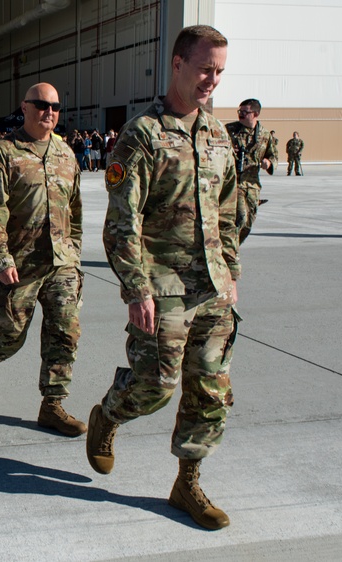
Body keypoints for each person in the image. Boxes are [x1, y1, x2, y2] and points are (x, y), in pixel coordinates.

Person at [88, 25, 239, 531]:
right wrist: (136, 288)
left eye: (219, 71)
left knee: (210, 390)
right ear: (177, 64)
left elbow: (229, 211)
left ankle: (187, 482)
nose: (212, 80)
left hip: (213, 287)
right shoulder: (143, 135)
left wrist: (231, 273)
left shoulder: (219, 135)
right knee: (157, 385)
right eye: (204, 68)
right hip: (162, 283)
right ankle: (108, 413)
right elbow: (121, 221)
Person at [0, 83, 87, 437]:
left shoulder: (67, 154)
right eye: (40, 105)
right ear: (24, 107)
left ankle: (52, 404)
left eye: (54, 106)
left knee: (65, 331)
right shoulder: (3, 153)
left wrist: (74, 251)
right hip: (19, 263)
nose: (48, 111)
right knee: (12, 334)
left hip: (61, 262)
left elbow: (75, 210)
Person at [226, 98, 277, 244]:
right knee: (240, 217)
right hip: (234, 183)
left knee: (248, 223)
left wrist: (268, 162)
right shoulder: (229, 130)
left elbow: (273, 155)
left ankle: (233, 247)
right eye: (239, 112)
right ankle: (230, 251)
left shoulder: (265, 135)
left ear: (255, 114)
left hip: (252, 185)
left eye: (244, 112)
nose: (240, 115)